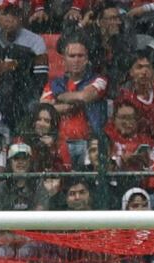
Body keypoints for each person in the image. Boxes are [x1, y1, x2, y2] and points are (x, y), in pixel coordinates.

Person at [40, 36, 108, 170]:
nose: (76, 60)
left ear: (87, 59)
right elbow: (43, 109)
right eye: (72, 56)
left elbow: (86, 96)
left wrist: (60, 97)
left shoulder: (99, 80)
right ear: (64, 59)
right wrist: (73, 103)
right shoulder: (54, 83)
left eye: (80, 56)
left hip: (90, 143)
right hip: (61, 143)